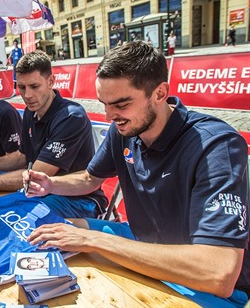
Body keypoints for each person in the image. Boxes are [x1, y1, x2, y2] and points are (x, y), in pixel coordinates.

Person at [26, 41, 249, 308]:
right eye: (104, 104)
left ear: (160, 93)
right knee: (55, 230)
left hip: (202, 281)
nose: (109, 115)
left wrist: (95, 240)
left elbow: (218, 273)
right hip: (139, 238)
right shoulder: (124, 128)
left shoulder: (216, 145)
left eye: (121, 103)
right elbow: (90, 179)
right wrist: (51, 183)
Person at [0, 51, 107, 220]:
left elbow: (36, 177)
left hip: (79, 200)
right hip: (43, 193)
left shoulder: (70, 117)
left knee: (5, 215)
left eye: (34, 86)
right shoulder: (31, 112)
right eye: (22, 87)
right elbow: (22, 156)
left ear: (51, 81)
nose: (27, 95)